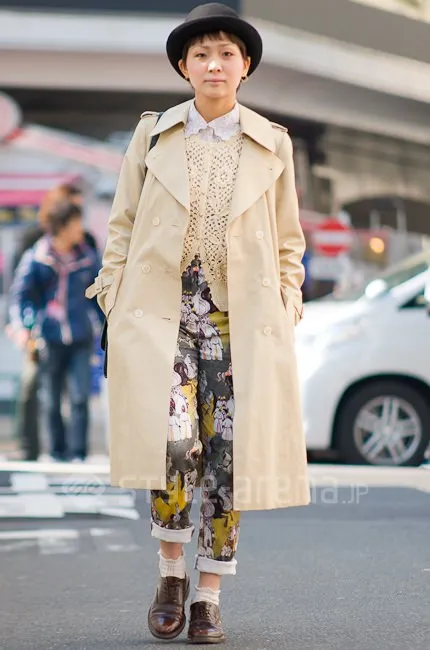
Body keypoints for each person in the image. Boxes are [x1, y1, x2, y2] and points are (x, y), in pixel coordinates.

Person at [86, 3, 310, 643]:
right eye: (202, 55)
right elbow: (123, 223)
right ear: (184, 67)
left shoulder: (272, 142)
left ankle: (209, 596)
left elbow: (289, 239)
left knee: (232, 457)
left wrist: (288, 299)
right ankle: (170, 574)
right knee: (173, 442)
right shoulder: (155, 135)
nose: (215, 64)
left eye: (227, 54)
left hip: (243, 319)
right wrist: (112, 295)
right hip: (163, 312)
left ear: (245, 67)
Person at [6, 182, 96, 461]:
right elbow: (20, 295)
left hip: (80, 336)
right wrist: (23, 326)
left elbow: (99, 295)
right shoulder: (37, 254)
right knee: (49, 397)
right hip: (48, 336)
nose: (80, 227)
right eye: (76, 220)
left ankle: (78, 453)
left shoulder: (87, 255)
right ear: (62, 223)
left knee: (80, 396)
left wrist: (110, 327)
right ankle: (53, 451)